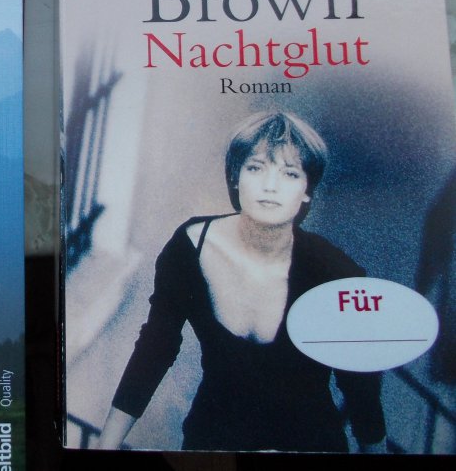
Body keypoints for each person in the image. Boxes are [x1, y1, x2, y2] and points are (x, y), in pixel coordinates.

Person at [97, 111, 387, 453]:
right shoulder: (191, 247)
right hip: (214, 443)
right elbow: (155, 348)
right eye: (256, 168)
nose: (270, 185)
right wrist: (104, 446)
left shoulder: (335, 273)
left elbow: (361, 388)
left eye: (290, 173)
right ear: (235, 176)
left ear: (307, 190)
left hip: (308, 447)